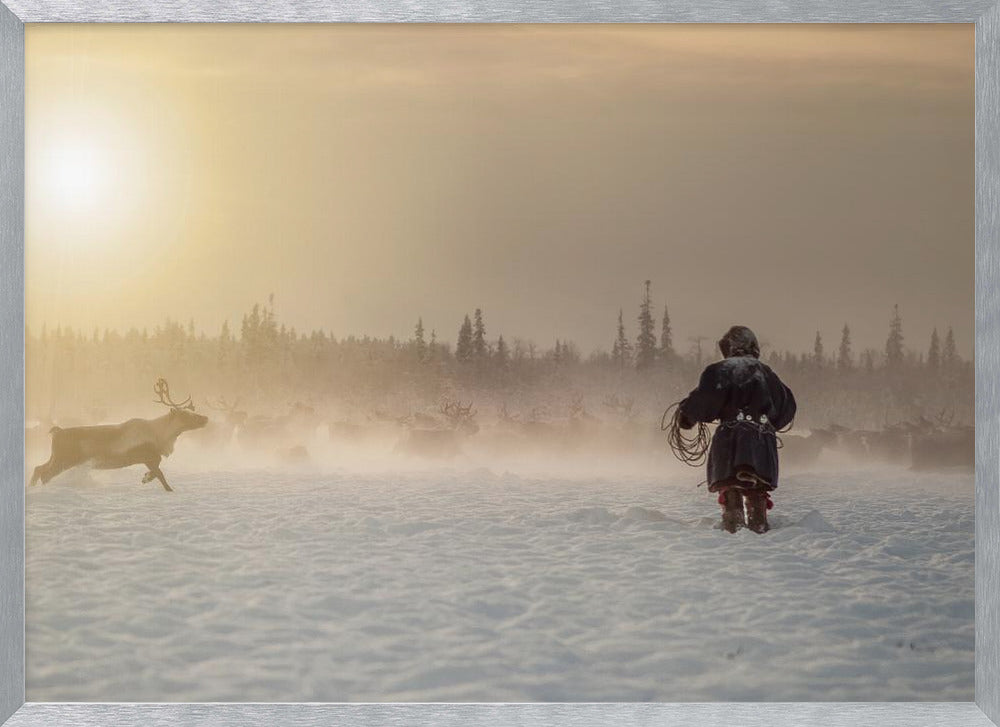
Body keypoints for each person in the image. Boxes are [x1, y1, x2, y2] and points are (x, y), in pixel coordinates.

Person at [677, 325, 796, 533]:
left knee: (730, 485)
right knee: (757, 489)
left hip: (730, 440)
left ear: (728, 347)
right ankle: (759, 527)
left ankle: (733, 529)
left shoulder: (719, 371)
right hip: (762, 442)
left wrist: (686, 416)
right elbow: (787, 407)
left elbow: (704, 400)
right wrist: (767, 422)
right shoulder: (767, 373)